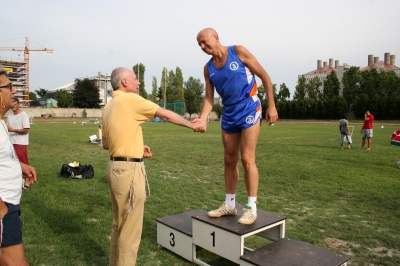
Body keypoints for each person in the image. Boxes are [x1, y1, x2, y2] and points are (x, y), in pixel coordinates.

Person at [102, 67, 205, 266]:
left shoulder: (109, 106)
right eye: (135, 79)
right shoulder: (131, 100)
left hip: (114, 168)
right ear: (124, 82)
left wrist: (136, 147)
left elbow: (107, 143)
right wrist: (192, 125)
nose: (138, 83)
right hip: (129, 172)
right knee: (130, 231)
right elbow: (165, 114)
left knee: (118, 225)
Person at [194, 28, 278, 225]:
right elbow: (209, 98)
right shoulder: (208, 68)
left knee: (247, 158)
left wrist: (272, 106)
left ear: (216, 38)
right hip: (229, 112)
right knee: (229, 159)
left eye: (205, 42)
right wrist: (202, 118)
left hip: (249, 107)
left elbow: (264, 75)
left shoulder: (238, 51)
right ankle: (230, 205)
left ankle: (251, 208)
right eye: (200, 45)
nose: (203, 47)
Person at [0, 69, 37, 265]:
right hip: (3, 207)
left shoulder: (1, 123)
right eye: (8, 87)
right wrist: (2, 209)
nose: (13, 90)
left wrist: (20, 166)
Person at [6, 97, 31, 190]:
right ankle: (17, 182)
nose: (13, 106)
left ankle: (28, 182)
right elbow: (7, 129)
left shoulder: (23, 115)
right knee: (13, 163)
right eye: (12, 104)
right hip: (10, 143)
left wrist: (14, 130)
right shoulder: (9, 116)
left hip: (20, 143)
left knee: (23, 162)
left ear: (18, 104)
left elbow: (26, 130)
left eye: (15, 104)